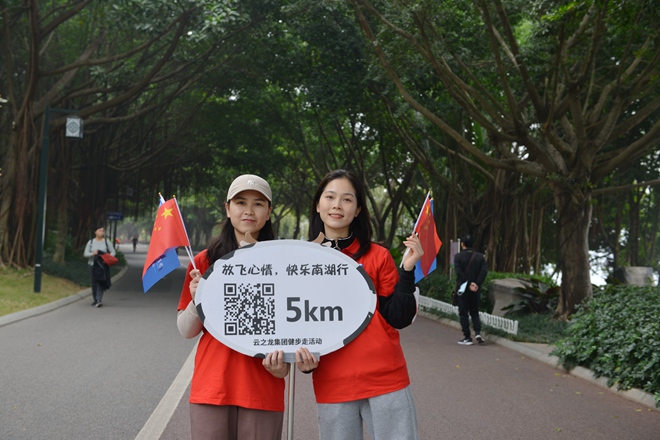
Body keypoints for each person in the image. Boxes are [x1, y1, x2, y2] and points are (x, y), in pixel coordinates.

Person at [295, 169, 423, 440]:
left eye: (347, 199)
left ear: (358, 210)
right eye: (330, 197)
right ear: (317, 205)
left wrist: (407, 270)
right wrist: (303, 360)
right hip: (333, 382)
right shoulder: (300, 262)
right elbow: (297, 321)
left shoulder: (378, 256)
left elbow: (398, 317)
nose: (337, 205)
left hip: (385, 378)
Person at [177, 174, 289, 440]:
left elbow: (291, 328)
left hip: (263, 387)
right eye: (240, 202)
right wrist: (197, 299)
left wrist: (283, 367)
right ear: (227, 209)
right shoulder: (203, 261)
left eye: (258, 204)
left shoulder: (285, 263)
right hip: (213, 386)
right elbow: (186, 330)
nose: (249, 210)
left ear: (269, 212)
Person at [454, 233, 488, 345]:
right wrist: (476, 284)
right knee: (474, 312)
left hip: (463, 288)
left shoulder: (458, 257)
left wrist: (468, 283)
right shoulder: (480, 257)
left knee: (463, 313)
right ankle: (478, 332)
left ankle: (467, 337)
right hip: (475, 289)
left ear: (462, 244)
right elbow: (484, 272)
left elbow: (459, 272)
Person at [83, 226, 116, 307]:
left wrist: (107, 258)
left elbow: (113, 252)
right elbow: (85, 254)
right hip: (92, 265)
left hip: (103, 266)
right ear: (95, 232)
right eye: (99, 231)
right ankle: (95, 299)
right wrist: (92, 254)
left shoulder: (106, 242)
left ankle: (99, 299)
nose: (101, 232)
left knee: (100, 281)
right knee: (94, 283)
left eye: (103, 231)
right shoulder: (91, 242)